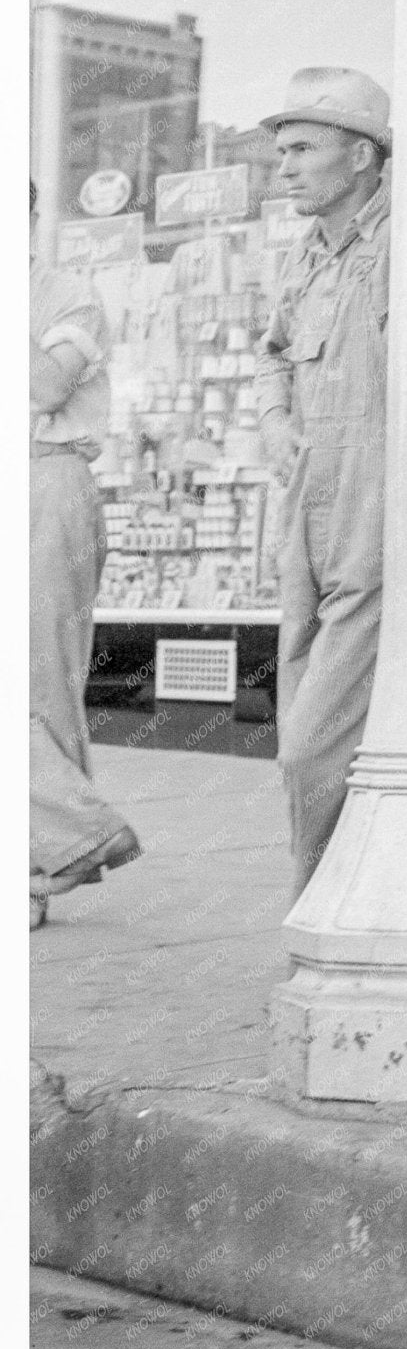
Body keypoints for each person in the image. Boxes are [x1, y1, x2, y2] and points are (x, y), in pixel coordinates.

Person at [252, 69, 394, 900]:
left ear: (364, 155)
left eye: (304, 148)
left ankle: (320, 905)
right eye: (282, 152)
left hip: (378, 500)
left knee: (314, 744)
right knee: (305, 730)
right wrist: (275, 425)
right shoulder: (307, 257)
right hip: (307, 503)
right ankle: (339, 904)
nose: (286, 167)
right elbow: (274, 355)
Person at [29, 179, 142, 929]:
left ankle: (40, 867)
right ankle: (67, 837)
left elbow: (42, 386)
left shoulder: (71, 294)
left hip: (45, 480)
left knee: (41, 677)